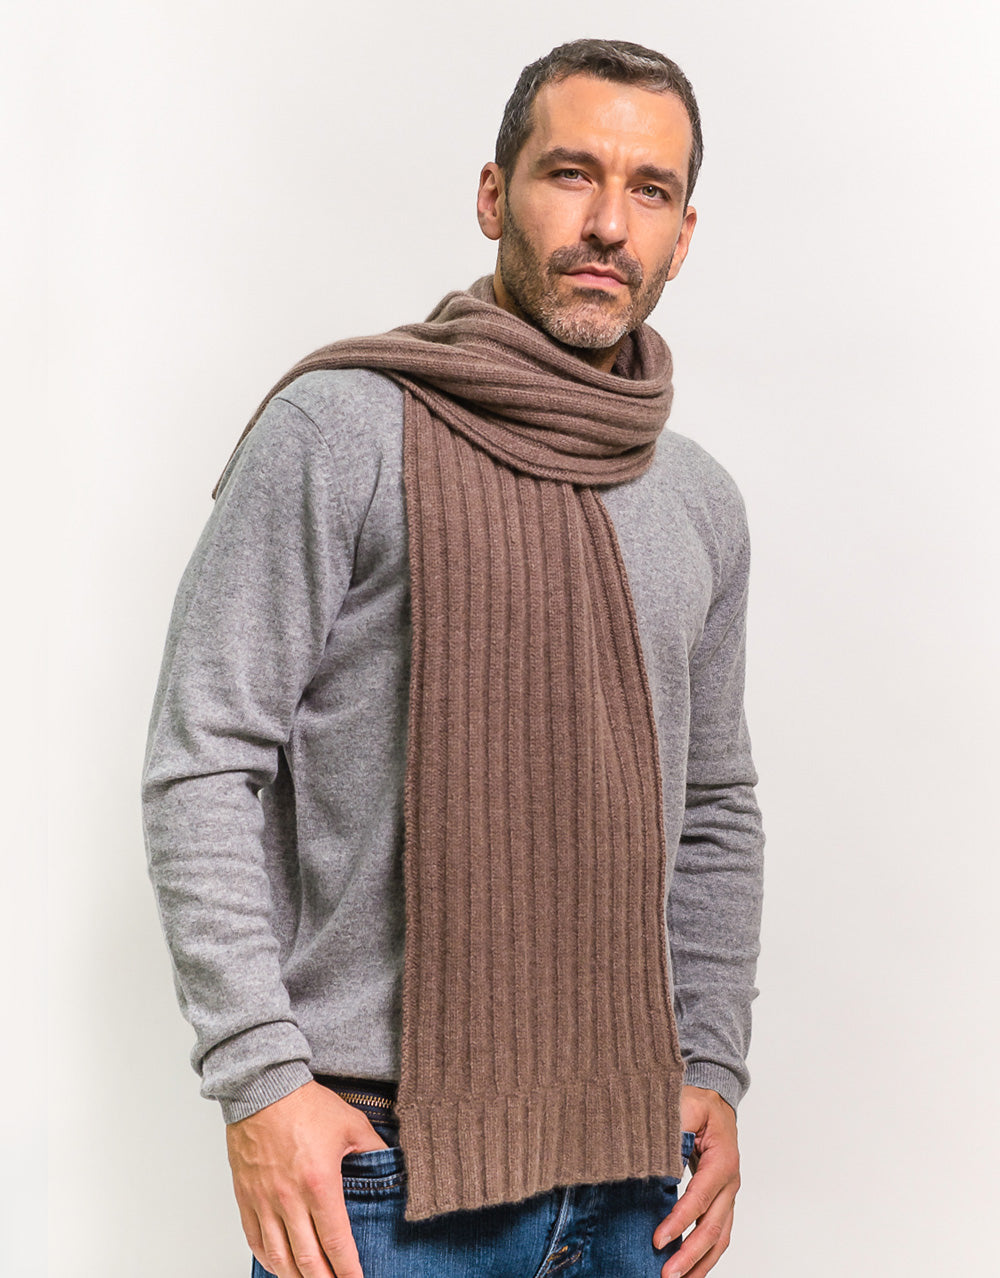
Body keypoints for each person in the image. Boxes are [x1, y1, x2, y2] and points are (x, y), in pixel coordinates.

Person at [142, 37, 764, 1278]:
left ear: (683, 235)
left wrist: (711, 1065)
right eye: (569, 174)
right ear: (493, 194)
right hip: (381, 1173)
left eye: (647, 190)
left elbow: (713, 807)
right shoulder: (339, 430)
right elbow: (203, 761)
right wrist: (260, 1084)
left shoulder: (697, 498)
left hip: (634, 1169)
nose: (606, 224)